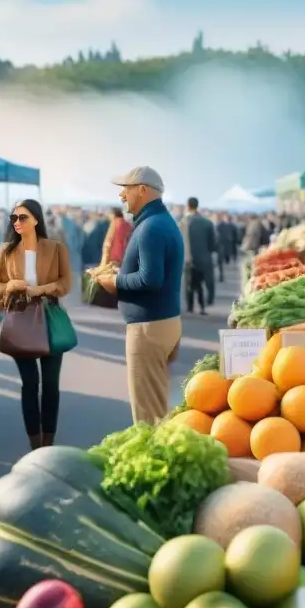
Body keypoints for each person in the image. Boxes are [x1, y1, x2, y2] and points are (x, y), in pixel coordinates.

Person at [96, 167, 183, 425]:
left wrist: (114, 280)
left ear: (142, 190)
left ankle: (155, 463)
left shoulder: (150, 228)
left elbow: (150, 279)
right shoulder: (158, 222)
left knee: (148, 417)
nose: (122, 195)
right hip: (160, 323)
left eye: (126, 188)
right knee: (155, 406)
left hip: (149, 329)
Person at [0, 199, 73, 449]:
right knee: (30, 384)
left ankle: (48, 442)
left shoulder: (56, 248)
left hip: (50, 317)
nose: (17, 222)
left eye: (23, 217)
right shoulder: (6, 251)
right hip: (20, 319)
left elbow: (66, 283)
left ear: (36, 219)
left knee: (50, 384)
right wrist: (12, 286)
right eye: (14, 218)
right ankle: (35, 445)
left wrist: (40, 289)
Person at [181, 197, 217, 315]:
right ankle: (202, 306)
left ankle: (190, 307)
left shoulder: (184, 222)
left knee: (190, 284)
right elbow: (213, 243)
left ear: (188, 205)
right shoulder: (207, 222)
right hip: (204, 258)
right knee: (200, 284)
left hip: (189, 259)